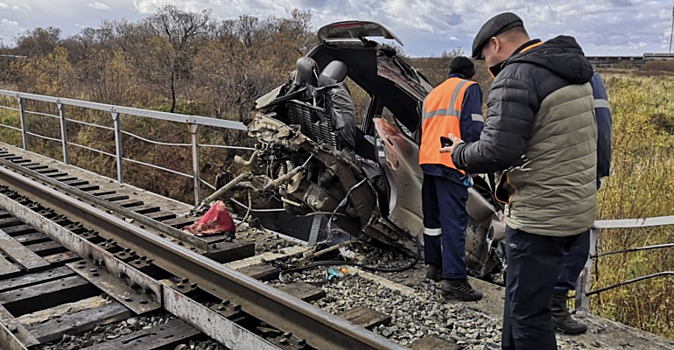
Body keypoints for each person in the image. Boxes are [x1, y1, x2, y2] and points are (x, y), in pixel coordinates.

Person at [441, 13, 597, 349]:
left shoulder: (518, 75)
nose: (487, 66)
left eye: (485, 57)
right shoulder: (571, 72)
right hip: (573, 210)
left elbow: (498, 150)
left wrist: (459, 152)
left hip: (539, 217)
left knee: (529, 317)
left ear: (495, 44)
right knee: (519, 300)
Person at [419, 56, 484, 301]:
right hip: (451, 161)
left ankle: (434, 267)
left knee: (432, 220)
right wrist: (473, 161)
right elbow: (472, 128)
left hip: (429, 161)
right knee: (454, 223)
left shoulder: (432, 93)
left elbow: (422, 130)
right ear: (470, 74)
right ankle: (455, 280)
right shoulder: (469, 89)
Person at [552, 71, 612, 335]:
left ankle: (542, 303)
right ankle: (555, 304)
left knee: (540, 242)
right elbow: (603, 126)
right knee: (576, 242)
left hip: (540, 180)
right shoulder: (591, 80)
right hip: (579, 176)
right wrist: (600, 170)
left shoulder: (535, 77)